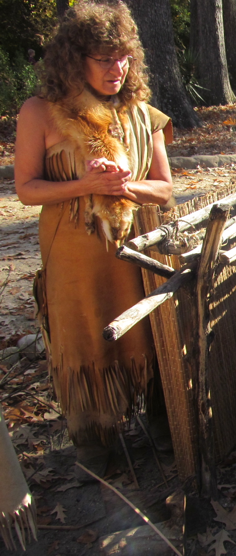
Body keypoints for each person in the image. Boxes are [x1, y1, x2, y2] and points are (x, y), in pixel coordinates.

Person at [14, 1, 174, 479]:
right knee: (83, 338)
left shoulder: (145, 115)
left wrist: (122, 185)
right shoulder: (41, 113)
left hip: (134, 252)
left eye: (123, 57)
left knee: (147, 333)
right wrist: (86, 185)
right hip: (73, 255)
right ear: (74, 58)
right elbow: (26, 189)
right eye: (104, 58)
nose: (117, 68)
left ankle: (163, 425)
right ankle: (94, 440)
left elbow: (165, 190)